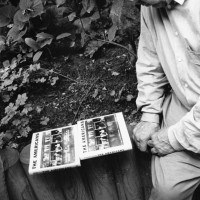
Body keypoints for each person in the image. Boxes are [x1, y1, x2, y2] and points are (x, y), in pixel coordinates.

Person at [132, 0, 200, 199]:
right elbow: (149, 58)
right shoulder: (150, 3)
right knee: (166, 194)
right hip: (184, 106)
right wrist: (150, 113)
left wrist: (174, 138)